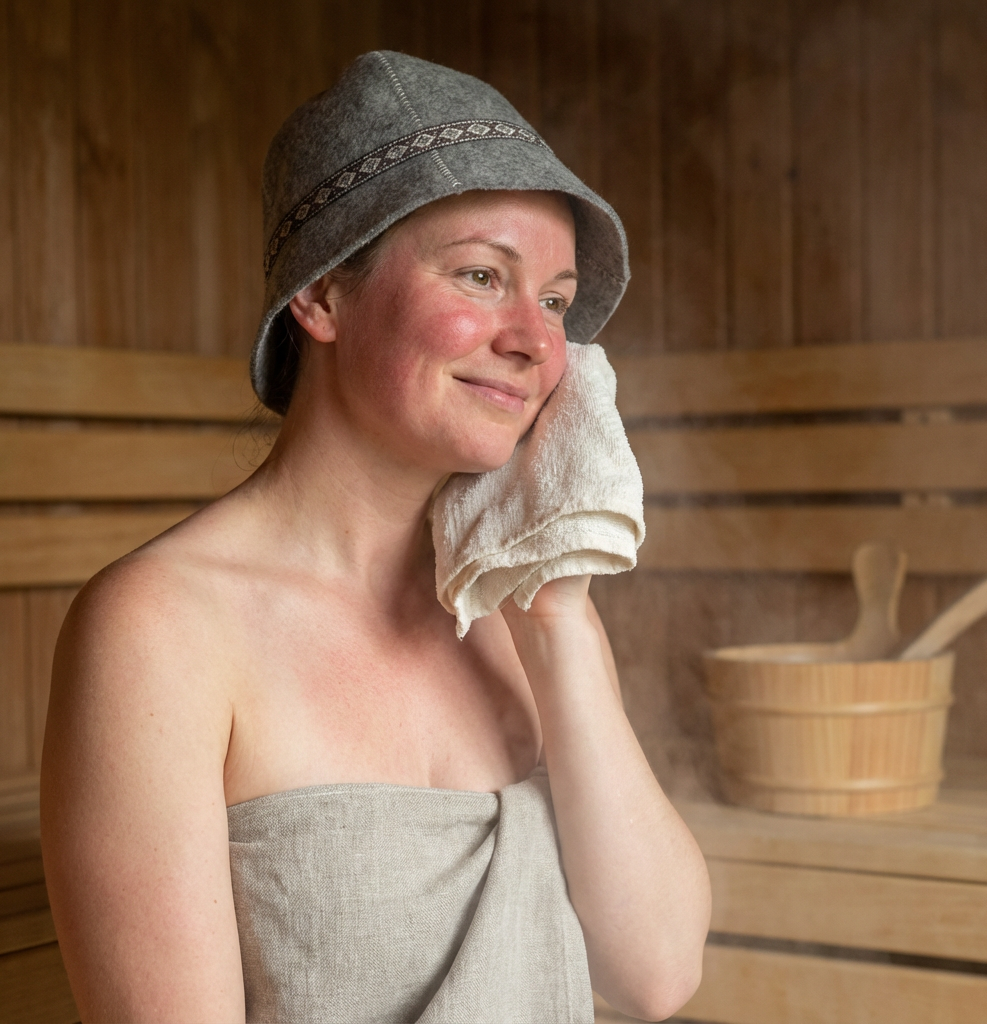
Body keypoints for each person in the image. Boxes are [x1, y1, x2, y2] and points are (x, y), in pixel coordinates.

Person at [40, 51, 711, 1023]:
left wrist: (559, 618)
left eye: (555, 301)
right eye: (482, 275)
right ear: (321, 294)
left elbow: (655, 973)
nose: (537, 341)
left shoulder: (514, 600)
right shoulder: (161, 631)